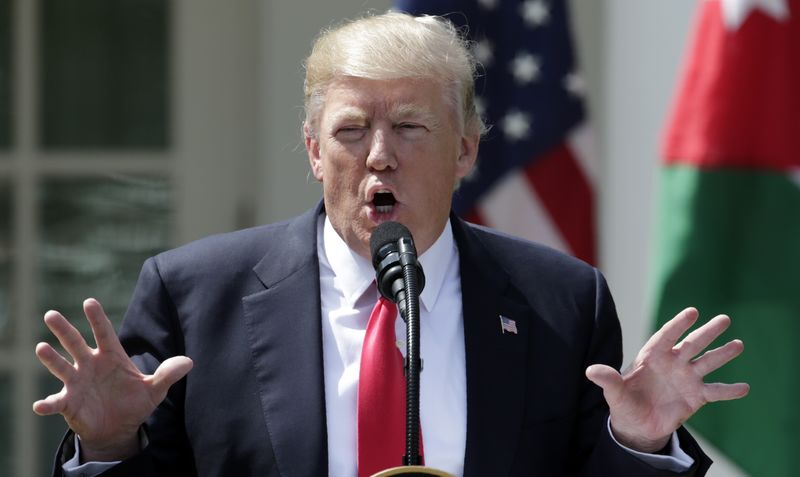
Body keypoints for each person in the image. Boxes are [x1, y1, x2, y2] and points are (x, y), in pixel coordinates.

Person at [33, 11, 749, 477]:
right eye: (350, 131)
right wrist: (107, 448)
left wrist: (639, 445)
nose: (379, 156)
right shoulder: (196, 296)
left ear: (466, 149)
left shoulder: (560, 301)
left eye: (410, 128)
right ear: (314, 150)